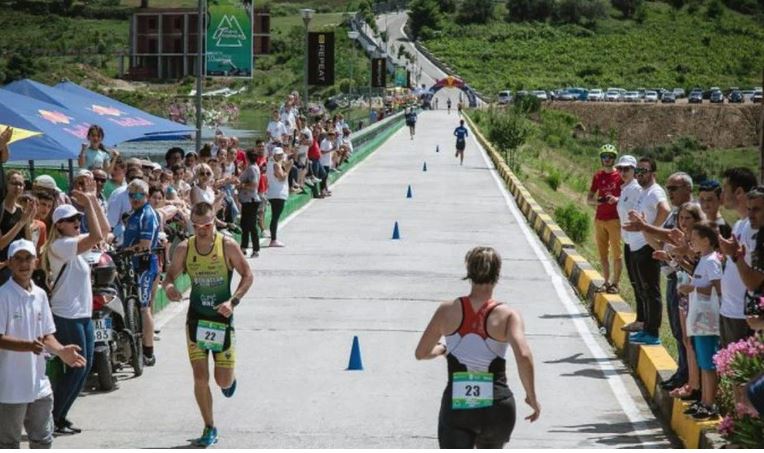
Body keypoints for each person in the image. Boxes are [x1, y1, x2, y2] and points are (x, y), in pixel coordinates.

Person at [415, 246, 540, 448]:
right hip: (497, 407)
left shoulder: (447, 310)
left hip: (458, 408)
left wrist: (441, 350)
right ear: (497, 274)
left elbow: (421, 353)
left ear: (469, 271)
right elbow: (524, 355)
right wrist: (531, 397)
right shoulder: (508, 315)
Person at [163, 201, 253, 447]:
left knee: (221, 381)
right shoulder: (184, 248)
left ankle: (229, 381)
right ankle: (209, 426)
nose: (202, 229)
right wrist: (170, 287)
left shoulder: (227, 245)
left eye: (207, 224)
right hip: (197, 320)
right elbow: (170, 275)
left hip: (221, 320)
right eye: (197, 225)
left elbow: (248, 274)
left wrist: (232, 302)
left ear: (215, 221)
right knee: (200, 378)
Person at [0, 239, 86, 449]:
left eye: (28, 258)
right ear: (10, 263)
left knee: (42, 440)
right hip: (10, 388)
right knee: (8, 443)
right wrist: (28, 346)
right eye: (18, 259)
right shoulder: (3, 295)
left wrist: (61, 351)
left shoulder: (40, 295)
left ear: (36, 262)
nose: (23, 264)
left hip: (39, 384)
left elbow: (47, 335)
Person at [41, 193, 105, 434]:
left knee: (85, 367)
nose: (76, 221)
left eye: (77, 218)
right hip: (66, 314)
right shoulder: (60, 245)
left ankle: (61, 415)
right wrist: (88, 204)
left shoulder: (75, 241)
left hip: (83, 314)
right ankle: (54, 417)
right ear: (59, 225)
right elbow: (98, 235)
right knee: (77, 366)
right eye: (70, 219)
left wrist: (94, 203)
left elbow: (105, 229)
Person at [623, 157, 670, 345]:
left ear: (653, 174)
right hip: (636, 246)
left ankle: (652, 332)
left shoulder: (655, 191)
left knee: (651, 290)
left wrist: (651, 231)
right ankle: (645, 328)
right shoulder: (644, 192)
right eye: (638, 171)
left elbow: (665, 210)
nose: (640, 174)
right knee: (643, 289)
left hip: (646, 247)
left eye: (644, 171)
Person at [678, 223, 722, 420]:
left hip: (707, 320)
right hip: (700, 318)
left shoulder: (712, 261)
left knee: (708, 363)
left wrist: (693, 289)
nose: (691, 241)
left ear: (706, 240)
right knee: (703, 362)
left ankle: (709, 403)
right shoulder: (704, 260)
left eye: (695, 238)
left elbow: (717, 288)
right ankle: (704, 401)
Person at [122, 179, 161, 365]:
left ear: (146, 196)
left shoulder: (147, 214)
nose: (135, 199)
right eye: (132, 195)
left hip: (144, 264)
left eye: (139, 195)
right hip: (131, 264)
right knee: (135, 306)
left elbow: (145, 246)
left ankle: (148, 352)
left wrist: (126, 251)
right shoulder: (133, 213)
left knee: (144, 308)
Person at [717, 168, 758, 346]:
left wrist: (733, 254)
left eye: (725, 189)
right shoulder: (740, 224)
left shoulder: (753, 227)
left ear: (739, 192)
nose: (722, 194)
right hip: (729, 310)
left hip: (744, 316)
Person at [588, 144, 623, 294]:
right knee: (603, 253)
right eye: (604, 156)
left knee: (616, 252)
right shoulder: (598, 176)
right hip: (600, 218)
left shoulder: (620, 176)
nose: (607, 159)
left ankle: (615, 283)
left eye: (609, 157)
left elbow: (628, 196)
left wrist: (616, 199)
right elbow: (589, 199)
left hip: (614, 219)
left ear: (614, 158)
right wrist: (599, 201)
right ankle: (606, 281)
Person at [613, 154, 642, 305]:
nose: (623, 172)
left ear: (634, 171)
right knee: (634, 281)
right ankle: (640, 318)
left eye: (627, 169)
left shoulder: (636, 189)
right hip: (628, 241)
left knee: (640, 283)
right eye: (620, 169)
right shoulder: (625, 189)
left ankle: (644, 320)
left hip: (637, 242)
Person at [0, 170, 34, 285]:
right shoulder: (1, 210)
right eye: (14, 183)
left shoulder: (21, 211)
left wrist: (27, 221)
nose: (18, 187)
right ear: (6, 184)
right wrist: (21, 222)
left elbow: (28, 242)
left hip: (19, 267)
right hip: (3, 267)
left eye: (21, 184)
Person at [266, 147, 291, 248]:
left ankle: (273, 238)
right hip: (278, 194)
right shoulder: (276, 165)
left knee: (275, 217)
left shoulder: (270, 163)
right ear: (274, 155)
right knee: (275, 217)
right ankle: (273, 239)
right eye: (278, 154)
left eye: (281, 154)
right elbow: (282, 177)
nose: (280, 156)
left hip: (273, 192)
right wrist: (288, 169)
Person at [238, 149, 261, 257]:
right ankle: (243, 247)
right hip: (246, 200)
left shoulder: (252, 169)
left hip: (250, 200)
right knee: (244, 224)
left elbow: (254, 184)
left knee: (251, 225)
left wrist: (241, 185)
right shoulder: (252, 167)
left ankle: (256, 249)